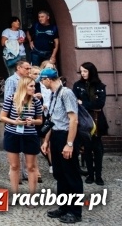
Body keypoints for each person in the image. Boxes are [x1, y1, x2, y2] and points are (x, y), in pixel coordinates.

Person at [40, 67, 83, 224]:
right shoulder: (53, 94)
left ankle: (75, 212)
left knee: (71, 175)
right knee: (60, 174)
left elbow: (74, 120)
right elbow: (52, 120)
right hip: (56, 135)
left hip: (67, 136)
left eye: (42, 80)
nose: (42, 83)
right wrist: (46, 141)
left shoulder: (66, 93)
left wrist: (69, 144)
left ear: (48, 79)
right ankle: (64, 207)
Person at [0, 76, 42, 193]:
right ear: (24, 87)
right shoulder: (11, 99)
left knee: (31, 167)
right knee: (14, 166)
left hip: (30, 135)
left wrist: (32, 121)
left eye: (34, 86)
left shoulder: (36, 101)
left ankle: (32, 195)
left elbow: (40, 120)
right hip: (12, 134)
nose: (34, 88)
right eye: (31, 86)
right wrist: (15, 121)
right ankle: (15, 193)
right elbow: (2, 117)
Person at [73, 62, 107, 185]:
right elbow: (75, 102)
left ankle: (98, 175)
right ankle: (90, 174)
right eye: (81, 71)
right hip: (84, 121)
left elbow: (100, 104)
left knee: (97, 149)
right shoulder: (78, 85)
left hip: (97, 121)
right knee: (87, 148)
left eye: (85, 71)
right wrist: (83, 104)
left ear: (91, 71)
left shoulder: (100, 86)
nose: (83, 73)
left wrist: (83, 103)